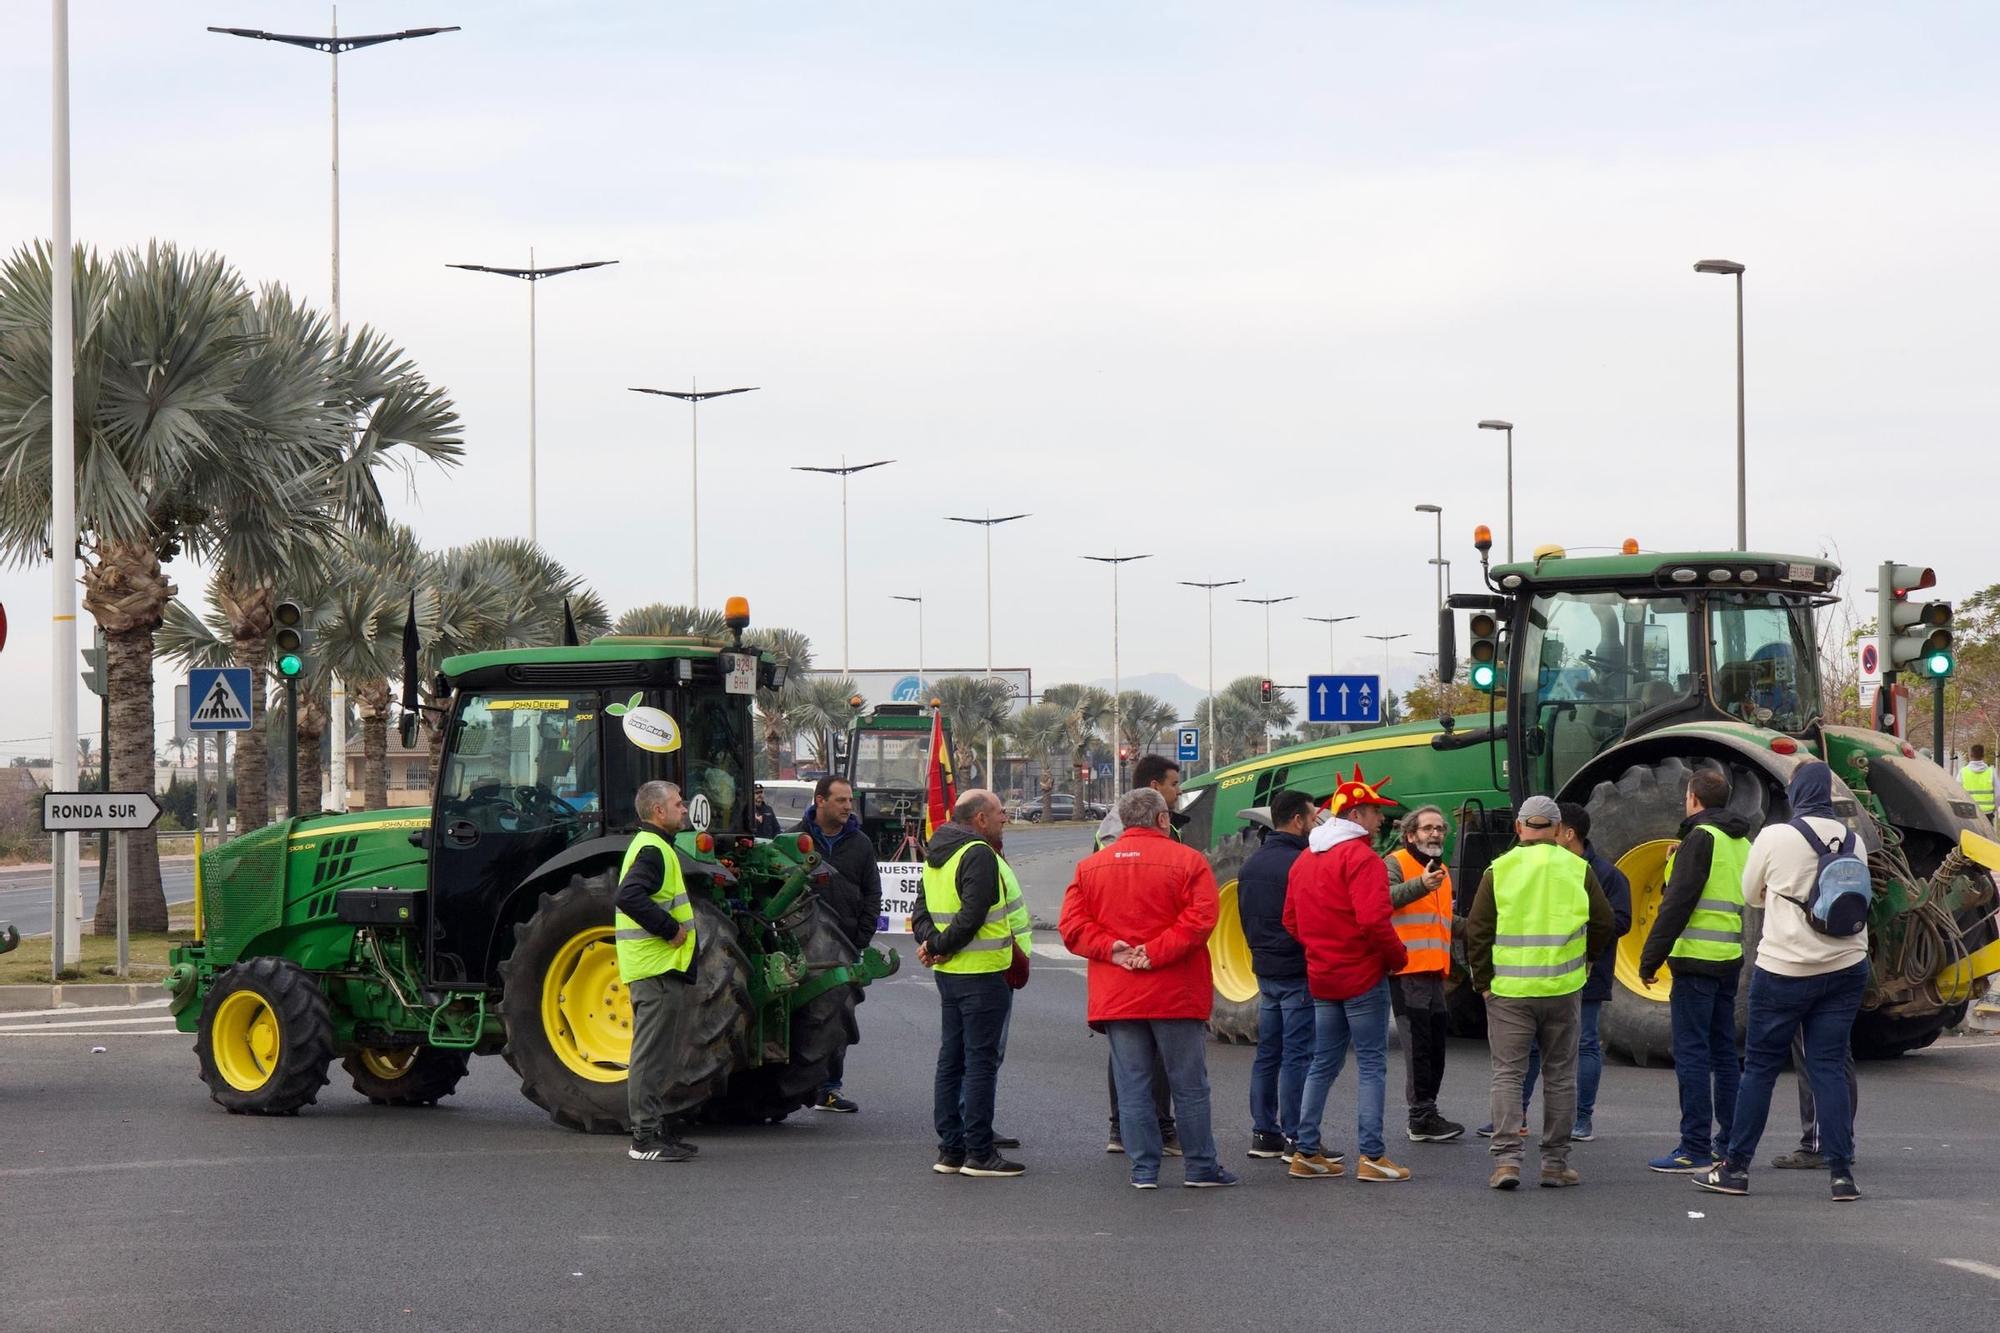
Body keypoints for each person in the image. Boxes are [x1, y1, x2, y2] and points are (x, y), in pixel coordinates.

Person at [1697, 762, 1870, 1203]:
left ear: (1796, 794)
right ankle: (1841, 1175)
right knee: (1828, 1067)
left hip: (1785, 969)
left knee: (1759, 1068)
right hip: (1847, 966)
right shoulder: (1854, 840)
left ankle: (1734, 1168)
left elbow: (1749, 893)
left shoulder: (1775, 836)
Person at [1061, 787, 1234, 1189]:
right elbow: (1201, 920)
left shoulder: (1091, 868)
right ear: (1162, 819)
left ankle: (1143, 1171)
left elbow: (1072, 927)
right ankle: (1200, 1167)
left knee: (1133, 1086)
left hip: (1118, 992)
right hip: (1176, 991)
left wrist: (1113, 949)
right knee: (1188, 1085)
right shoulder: (1189, 861)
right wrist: (1154, 952)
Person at [1465, 795, 1617, 1190]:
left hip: (1509, 991)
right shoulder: (1578, 868)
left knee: (1508, 1075)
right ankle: (1554, 1164)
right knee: (1560, 1076)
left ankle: (1506, 1163)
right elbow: (1604, 922)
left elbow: (1478, 931)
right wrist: (1586, 960)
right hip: (1563, 988)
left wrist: (1482, 981)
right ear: (1557, 830)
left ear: (1519, 828)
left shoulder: (1499, 869)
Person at [1282, 767, 1412, 1184]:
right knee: (1372, 1064)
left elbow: (1290, 919)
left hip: (1322, 976)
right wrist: (1396, 958)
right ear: (1355, 815)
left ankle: (1305, 1151)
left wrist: (1320, 947)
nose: (1381, 820)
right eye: (1375, 812)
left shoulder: (1306, 858)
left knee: (1323, 1063)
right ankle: (1372, 1155)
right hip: (1362, 976)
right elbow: (1375, 921)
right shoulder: (1363, 858)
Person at [1637, 768, 1754, 1173]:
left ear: (1693, 800)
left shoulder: (1699, 839)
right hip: (1727, 961)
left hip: (1694, 963)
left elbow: (1677, 905)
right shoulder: (1740, 841)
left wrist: (1650, 958)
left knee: (1691, 1055)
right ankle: (1729, 1144)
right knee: (1725, 1054)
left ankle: (1693, 1148)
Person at [913, 789, 1031, 1177]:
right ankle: (979, 1153)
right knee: (979, 1064)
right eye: (999, 813)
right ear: (980, 818)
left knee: (952, 1061)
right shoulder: (977, 853)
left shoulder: (937, 851)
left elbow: (922, 913)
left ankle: (951, 1150)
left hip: (950, 975)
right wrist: (940, 946)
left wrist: (933, 945)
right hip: (982, 974)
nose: (1004, 819)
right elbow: (973, 914)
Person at [1519, 803, 1633, 1141]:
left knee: (1584, 1044)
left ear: (1568, 833)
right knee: (1533, 1046)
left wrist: (1583, 943)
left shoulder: (1608, 875)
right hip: (1545, 968)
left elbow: (1621, 921)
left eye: (1554, 827)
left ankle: (1581, 1120)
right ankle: (1518, 1114)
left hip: (1587, 972)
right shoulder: (1547, 868)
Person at [1092, 753, 1183, 1155]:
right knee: (1150, 1048)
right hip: (1144, 953)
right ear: (1153, 788)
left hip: (1124, 952)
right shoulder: (1126, 835)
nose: (1178, 792)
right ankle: (1158, 1129)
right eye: (1174, 784)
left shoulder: (1112, 831)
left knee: (1127, 1047)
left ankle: (1122, 1128)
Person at [614, 780, 699, 1164]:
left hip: (659, 968)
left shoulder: (657, 847)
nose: (685, 809)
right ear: (658, 812)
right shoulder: (652, 849)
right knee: (649, 1057)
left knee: (659, 1056)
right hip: (655, 968)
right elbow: (629, 896)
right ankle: (644, 1138)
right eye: (679, 804)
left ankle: (655, 1128)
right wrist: (670, 929)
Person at [1237, 789, 1316, 1160]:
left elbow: (1243, 918)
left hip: (1265, 969)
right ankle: (1296, 1136)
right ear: (1297, 820)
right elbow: (1309, 919)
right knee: (1297, 1055)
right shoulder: (1302, 862)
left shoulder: (1250, 864)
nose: (1315, 824)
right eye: (1313, 818)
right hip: (1297, 969)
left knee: (1268, 1053)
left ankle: (1264, 1133)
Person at [1384, 804, 1465, 1144]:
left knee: (1434, 1047)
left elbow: (1445, 921)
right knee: (1418, 1047)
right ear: (1410, 834)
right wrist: (1420, 884)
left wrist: (1481, 928)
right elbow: (1383, 900)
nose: (1435, 834)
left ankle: (1428, 1113)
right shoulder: (1394, 863)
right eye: (1428, 828)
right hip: (1406, 971)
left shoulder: (1441, 870)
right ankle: (1420, 1117)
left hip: (1434, 972)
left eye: (1440, 828)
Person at [802, 776, 883, 1114]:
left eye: (850, 800)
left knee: (838, 1015)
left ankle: (829, 1089)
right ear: (820, 801)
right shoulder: (797, 840)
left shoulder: (860, 843)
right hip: (800, 943)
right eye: (841, 800)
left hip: (845, 945)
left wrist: (860, 937)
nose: (849, 807)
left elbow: (872, 893)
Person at [1961, 744, 1995, 823]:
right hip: (1987, 813)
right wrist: (1995, 808)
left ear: (1971, 755)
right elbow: (1998, 794)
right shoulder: (1991, 772)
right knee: (1987, 835)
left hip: (1969, 812)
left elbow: (1956, 792)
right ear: (1983, 755)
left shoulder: (1963, 772)